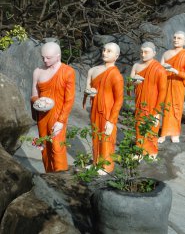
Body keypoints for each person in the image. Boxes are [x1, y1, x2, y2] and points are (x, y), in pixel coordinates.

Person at [31, 42, 75, 172]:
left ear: (58, 56)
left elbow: (69, 99)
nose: (45, 60)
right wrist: (38, 101)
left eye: (48, 57)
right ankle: (49, 176)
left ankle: (61, 179)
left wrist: (61, 121)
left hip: (58, 116)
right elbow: (33, 95)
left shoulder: (67, 72)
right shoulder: (38, 71)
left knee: (57, 147)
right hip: (42, 115)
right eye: (43, 57)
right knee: (44, 147)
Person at [83, 42, 124, 173]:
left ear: (116, 56)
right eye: (104, 50)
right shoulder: (93, 70)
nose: (105, 53)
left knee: (106, 137)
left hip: (107, 111)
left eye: (109, 51)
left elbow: (119, 100)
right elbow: (87, 88)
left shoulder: (115, 75)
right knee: (96, 135)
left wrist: (112, 120)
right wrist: (89, 92)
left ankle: (106, 166)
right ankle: (96, 162)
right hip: (95, 108)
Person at [131, 42, 167, 158]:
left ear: (154, 53)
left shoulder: (159, 69)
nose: (143, 54)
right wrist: (133, 82)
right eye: (141, 52)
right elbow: (129, 83)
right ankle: (139, 150)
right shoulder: (136, 65)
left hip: (153, 103)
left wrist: (157, 111)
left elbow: (162, 91)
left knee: (152, 127)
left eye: (146, 52)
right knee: (139, 126)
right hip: (140, 101)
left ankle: (151, 151)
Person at [158, 31, 185, 143]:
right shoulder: (166, 54)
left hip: (178, 85)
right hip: (166, 83)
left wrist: (174, 70)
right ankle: (163, 133)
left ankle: (174, 133)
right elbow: (159, 70)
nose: (176, 40)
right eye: (175, 37)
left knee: (176, 108)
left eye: (179, 38)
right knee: (165, 108)